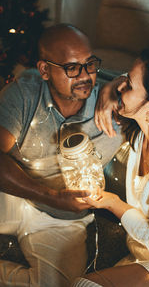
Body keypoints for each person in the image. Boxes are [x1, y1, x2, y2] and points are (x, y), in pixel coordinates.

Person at [0, 23, 124, 287]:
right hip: (12, 194)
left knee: (60, 284)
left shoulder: (113, 99)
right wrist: (51, 196)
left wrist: (119, 84)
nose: (85, 75)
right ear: (45, 70)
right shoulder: (23, 95)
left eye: (90, 64)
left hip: (61, 220)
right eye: (72, 67)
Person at [72, 48, 149, 287]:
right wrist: (111, 88)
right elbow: (105, 80)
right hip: (144, 255)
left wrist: (113, 203)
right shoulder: (144, 130)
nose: (121, 86)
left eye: (128, 85)